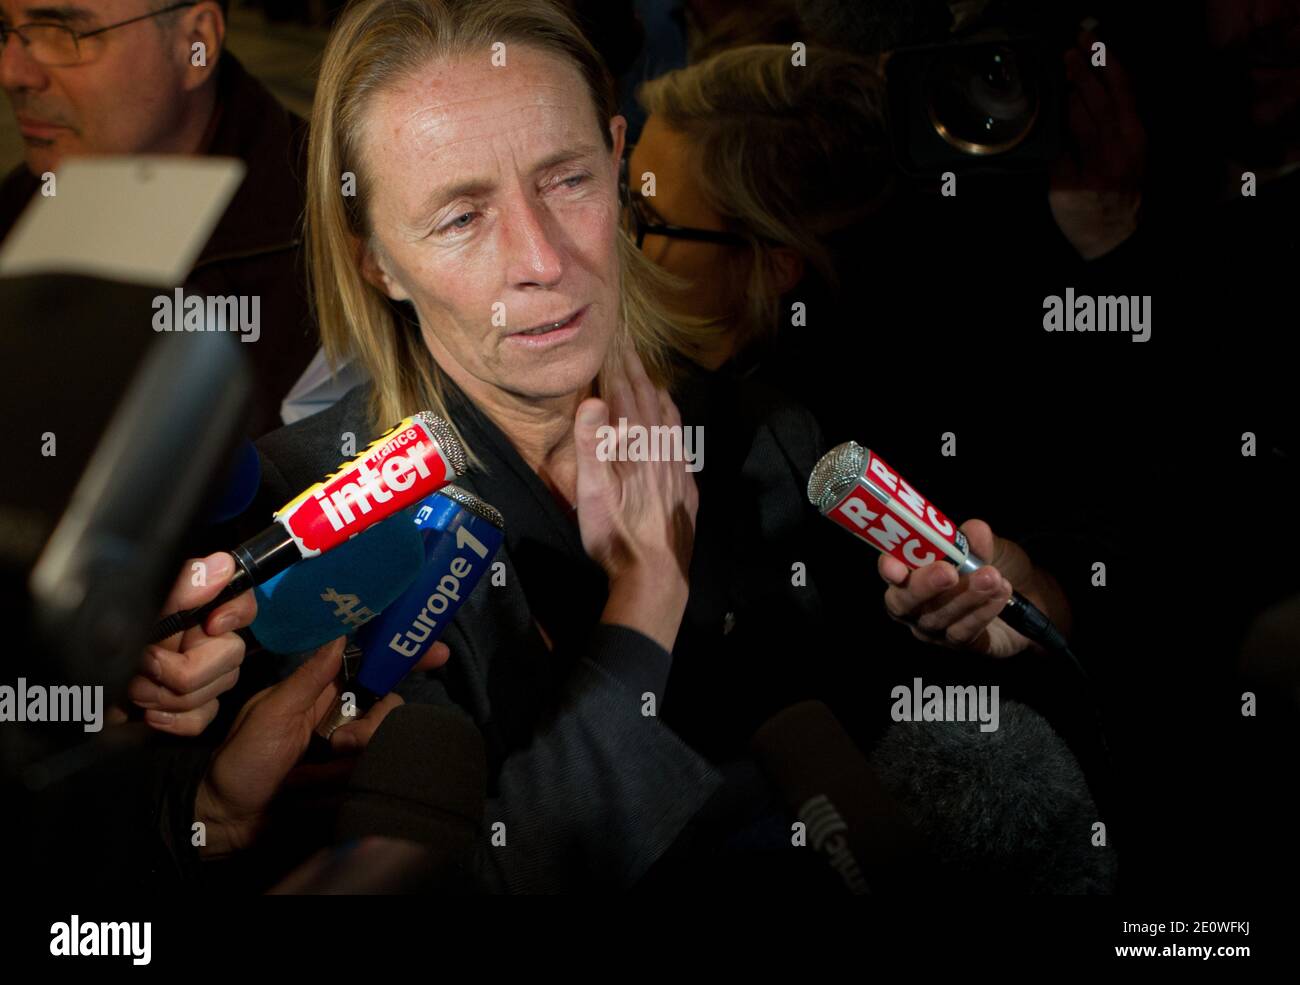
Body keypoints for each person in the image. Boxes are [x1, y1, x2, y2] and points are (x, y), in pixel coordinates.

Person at [151, 0, 1077, 892]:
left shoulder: (770, 440)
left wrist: (1015, 623)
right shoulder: (297, 527)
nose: (543, 258)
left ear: (619, 157)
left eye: (567, 179)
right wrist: (649, 598)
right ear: (375, 259)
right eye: (461, 216)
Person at [0, 0, 317, 438]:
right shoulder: (19, 208)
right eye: (6, 31)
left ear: (195, 43)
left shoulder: (336, 244)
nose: (12, 73)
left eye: (62, 32)